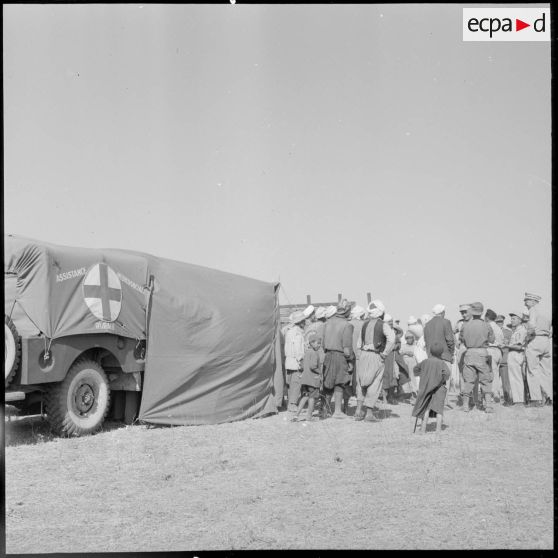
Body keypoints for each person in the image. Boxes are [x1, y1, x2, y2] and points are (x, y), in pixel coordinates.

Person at [354, 299, 395, 421]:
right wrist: (385, 353)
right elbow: (391, 340)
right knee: (374, 383)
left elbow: (359, 342)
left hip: (363, 355)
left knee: (361, 382)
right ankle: (369, 413)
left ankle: (358, 410)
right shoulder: (383, 325)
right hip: (376, 355)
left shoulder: (364, 324)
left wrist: (360, 354)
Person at [459, 302, 495, 413]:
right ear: (481, 312)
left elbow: (462, 340)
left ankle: (465, 405)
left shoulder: (465, 325)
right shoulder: (486, 325)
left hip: (469, 353)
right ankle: (488, 405)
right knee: (485, 379)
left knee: (468, 380)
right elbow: (492, 340)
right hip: (482, 353)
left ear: (471, 312)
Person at [321, 299, 354, 418]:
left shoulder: (327, 323)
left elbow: (323, 343)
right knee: (340, 383)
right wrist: (350, 360)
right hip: (340, 356)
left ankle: (325, 409)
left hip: (327, 355)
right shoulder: (347, 325)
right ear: (347, 311)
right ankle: (338, 411)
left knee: (327, 383)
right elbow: (347, 348)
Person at [412, 341, 451, 434]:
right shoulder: (442, 363)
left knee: (426, 408)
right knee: (439, 409)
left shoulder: (425, 362)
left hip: (426, 387)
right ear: (441, 353)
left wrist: (422, 374)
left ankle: (422, 429)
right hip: (440, 388)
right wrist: (441, 379)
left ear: (430, 352)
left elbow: (415, 369)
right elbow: (447, 374)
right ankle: (438, 430)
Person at [523, 292, 552, 406]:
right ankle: (550, 396)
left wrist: (527, 338)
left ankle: (536, 399)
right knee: (546, 371)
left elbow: (531, 326)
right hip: (546, 341)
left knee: (532, 370)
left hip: (535, 339)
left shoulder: (533, 310)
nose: (525, 303)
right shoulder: (547, 311)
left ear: (533, 301)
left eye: (527, 301)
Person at [423, 304, 455, 405]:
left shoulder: (427, 325)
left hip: (431, 357)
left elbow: (426, 341)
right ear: (443, 312)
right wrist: (451, 354)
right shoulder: (446, 322)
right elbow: (450, 340)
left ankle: (433, 403)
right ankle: (443, 404)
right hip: (444, 356)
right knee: (445, 382)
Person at [293, 332, 324, 422]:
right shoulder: (314, 353)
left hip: (305, 380)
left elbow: (303, 366)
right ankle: (309, 416)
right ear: (311, 343)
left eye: (319, 343)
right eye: (317, 343)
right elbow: (313, 366)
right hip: (313, 380)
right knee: (312, 398)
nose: (319, 345)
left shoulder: (307, 352)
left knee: (305, 397)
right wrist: (320, 373)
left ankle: (296, 415)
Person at [284, 310, 306, 412]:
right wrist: (300, 359)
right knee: (296, 383)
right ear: (300, 321)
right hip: (296, 361)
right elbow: (297, 348)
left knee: (290, 383)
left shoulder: (289, 331)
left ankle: (290, 402)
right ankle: (292, 404)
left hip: (289, 360)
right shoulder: (297, 332)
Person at [507, 310, 528, 407]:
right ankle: (518, 400)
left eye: (514, 318)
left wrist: (506, 345)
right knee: (515, 378)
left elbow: (519, 346)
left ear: (520, 320)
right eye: (511, 318)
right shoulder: (516, 330)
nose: (512, 320)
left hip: (516, 354)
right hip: (513, 354)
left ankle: (519, 401)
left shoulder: (521, 330)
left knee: (516, 378)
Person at [485, 309, 505, 403]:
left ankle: (494, 394)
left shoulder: (488, 326)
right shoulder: (498, 327)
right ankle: (497, 393)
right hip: (499, 351)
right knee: (496, 374)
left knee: (491, 373)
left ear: (487, 317)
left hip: (491, 350)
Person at [496, 314, 513, 405]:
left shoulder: (508, 332)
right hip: (494, 361)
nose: (499, 323)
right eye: (497, 322)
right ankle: (494, 399)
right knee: (493, 381)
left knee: (506, 382)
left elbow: (513, 345)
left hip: (504, 360)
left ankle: (507, 399)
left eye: (501, 322)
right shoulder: (492, 331)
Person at [399, 330, 418, 395]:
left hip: (413, 364)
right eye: (408, 338)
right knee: (406, 377)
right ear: (406, 339)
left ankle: (414, 391)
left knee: (413, 377)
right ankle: (406, 392)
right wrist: (406, 352)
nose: (409, 339)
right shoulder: (403, 346)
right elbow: (399, 354)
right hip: (405, 364)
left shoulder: (415, 346)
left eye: (411, 338)